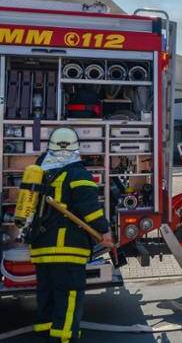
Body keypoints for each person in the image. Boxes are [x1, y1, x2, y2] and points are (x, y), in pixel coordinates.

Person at [28, 127, 113, 342]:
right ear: (76, 149)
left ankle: (44, 337)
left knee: (46, 299)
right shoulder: (77, 173)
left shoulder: (40, 172)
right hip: (67, 250)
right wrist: (105, 231)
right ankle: (63, 339)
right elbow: (90, 210)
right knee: (68, 299)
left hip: (41, 248)